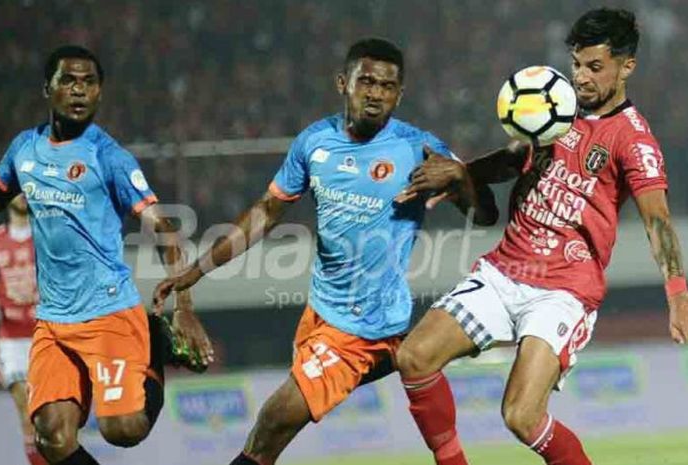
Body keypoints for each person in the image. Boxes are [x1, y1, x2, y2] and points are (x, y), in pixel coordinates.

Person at [153, 37, 494, 465]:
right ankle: (412, 361)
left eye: (387, 86)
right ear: (342, 82)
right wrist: (198, 270)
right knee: (276, 429)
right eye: (365, 81)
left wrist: (461, 177)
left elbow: (482, 214)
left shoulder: (419, 147)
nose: (375, 93)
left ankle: (410, 358)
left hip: (358, 330)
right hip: (321, 314)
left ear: (399, 94)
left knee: (272, 423)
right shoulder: (314, 143)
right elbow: (266, 212)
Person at [393, 8, 688, 465]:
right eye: (576, 64)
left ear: (626, 66)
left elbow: (658, 221)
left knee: (521, 416)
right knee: (413, 358)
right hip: (504, 271)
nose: (581, 77)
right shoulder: (555, 109)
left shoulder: (634, 140)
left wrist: (678, 293)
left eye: (595, 67)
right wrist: (461, 174)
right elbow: (517, 156)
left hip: (564, 291)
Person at [0, 45, 213, 465]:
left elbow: (164, 228)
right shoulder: (23, 149)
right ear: (47, 88)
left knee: (122, 432)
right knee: (51, 437)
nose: (79, 91)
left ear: (99, 93)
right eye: (69, 81)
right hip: (53, 321)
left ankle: (154, 346)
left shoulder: (108, 157)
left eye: (89, 83)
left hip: (108, 313)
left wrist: (183, 305)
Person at [0, 195, 46, 465]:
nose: (21, 194)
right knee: (27, 409)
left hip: (46, 336)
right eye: (15, 188)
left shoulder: (45, 237)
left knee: (50, 416)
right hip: (12, 341)